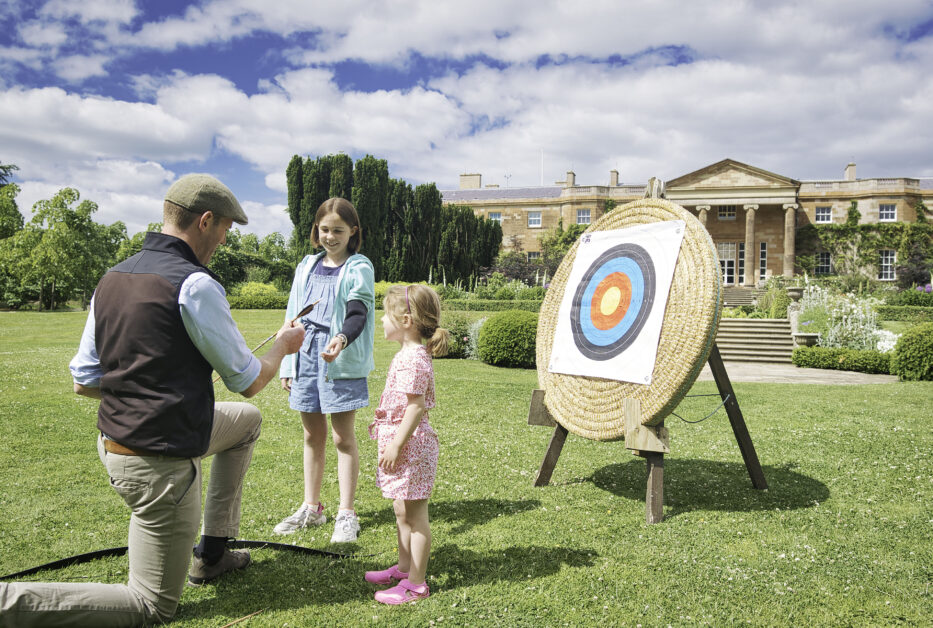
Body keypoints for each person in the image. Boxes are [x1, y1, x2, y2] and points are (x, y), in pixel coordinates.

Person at [0, 174, 305, 627]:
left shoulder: (112, 277)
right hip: (158, 464)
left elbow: (84, 379)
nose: (224, 240)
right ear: (206, 221)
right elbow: (248, 379)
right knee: (151, 606)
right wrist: (283, 344)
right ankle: (9, 602)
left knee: (245, 422)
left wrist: (146, 388)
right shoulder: (196, 285)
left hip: (116, 444)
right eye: (225, 229)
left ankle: (213, 554)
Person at [273, 198, 375, 543]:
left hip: (338, 356)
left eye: (338, 231)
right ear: (316, 230)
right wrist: (287, 361)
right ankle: (311, 508)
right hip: (304, 355)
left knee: (342, 438)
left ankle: (347, 514)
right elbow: (291, 316)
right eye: (324, 229)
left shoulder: (359, 267)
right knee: (311, 436)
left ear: (353, 232)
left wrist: (343, 339)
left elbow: (357, 312)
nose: (330, 236)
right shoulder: (306, 265)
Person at [364, 285, 449, 605]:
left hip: (411, 446)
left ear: (405, 320)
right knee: (401, 508)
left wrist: (396, 445)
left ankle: (416, 584)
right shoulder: (407, 354)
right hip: (405, 445)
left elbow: (415, 407)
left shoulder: (413, 358)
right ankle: (403, 568)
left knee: (415, 516)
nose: (381, 320)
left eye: (385, 314)